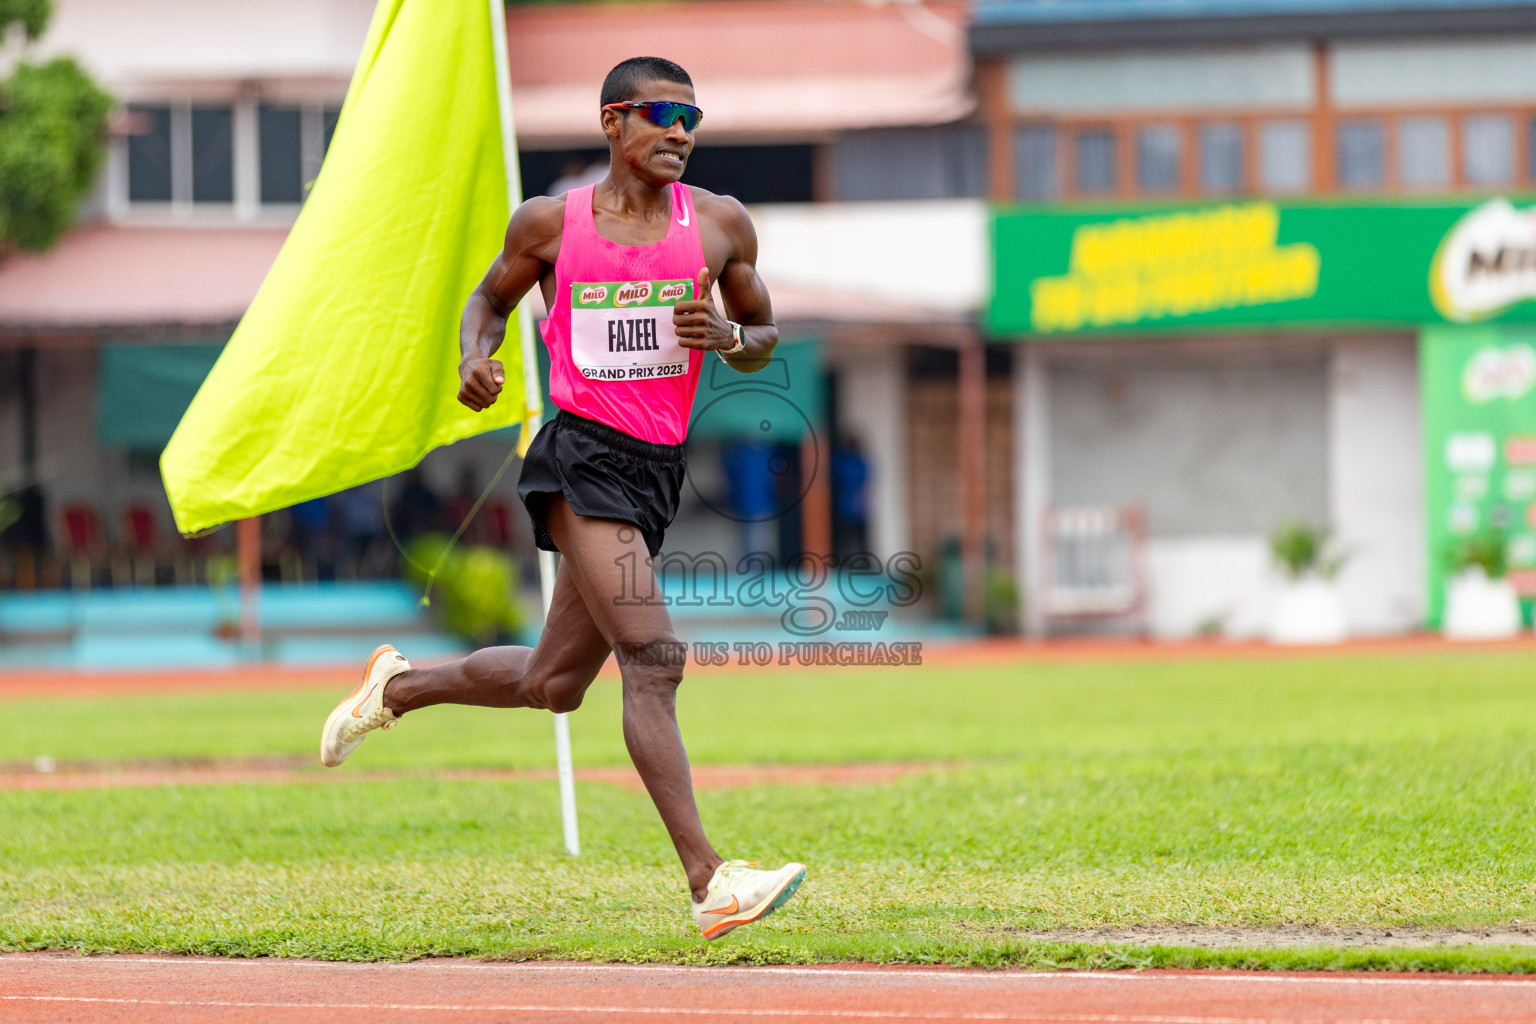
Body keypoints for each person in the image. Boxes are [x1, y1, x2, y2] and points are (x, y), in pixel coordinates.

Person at [319, 56, 805, 940]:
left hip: (655, 470)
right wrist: (477, 354)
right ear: (614, 122)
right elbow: (489, 299)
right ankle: (711, 882)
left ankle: (397, 688)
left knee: (553, 684)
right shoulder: (549, 223)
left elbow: (766, 335)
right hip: (580, 459)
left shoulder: (722, 225)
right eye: (662, 113)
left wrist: (732, 336)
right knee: (653, 659)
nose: (681, 131)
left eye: (692, 116)